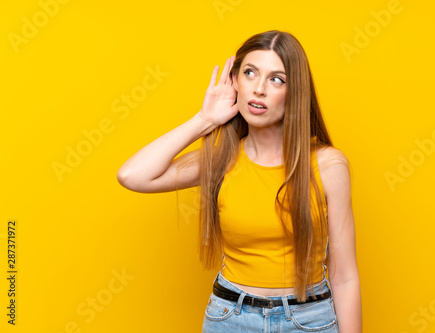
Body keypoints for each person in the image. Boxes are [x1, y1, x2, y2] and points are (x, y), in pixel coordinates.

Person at [117, 30, 362, 333]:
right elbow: (132, 175)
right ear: (235, 82)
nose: (259, 89)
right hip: (230, 318)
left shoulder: (328, 165)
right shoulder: (221, 160)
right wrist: (204, 120)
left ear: (295, 91)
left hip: (309, 320)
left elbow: (345, 276)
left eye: (277, 79)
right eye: (250, 73)